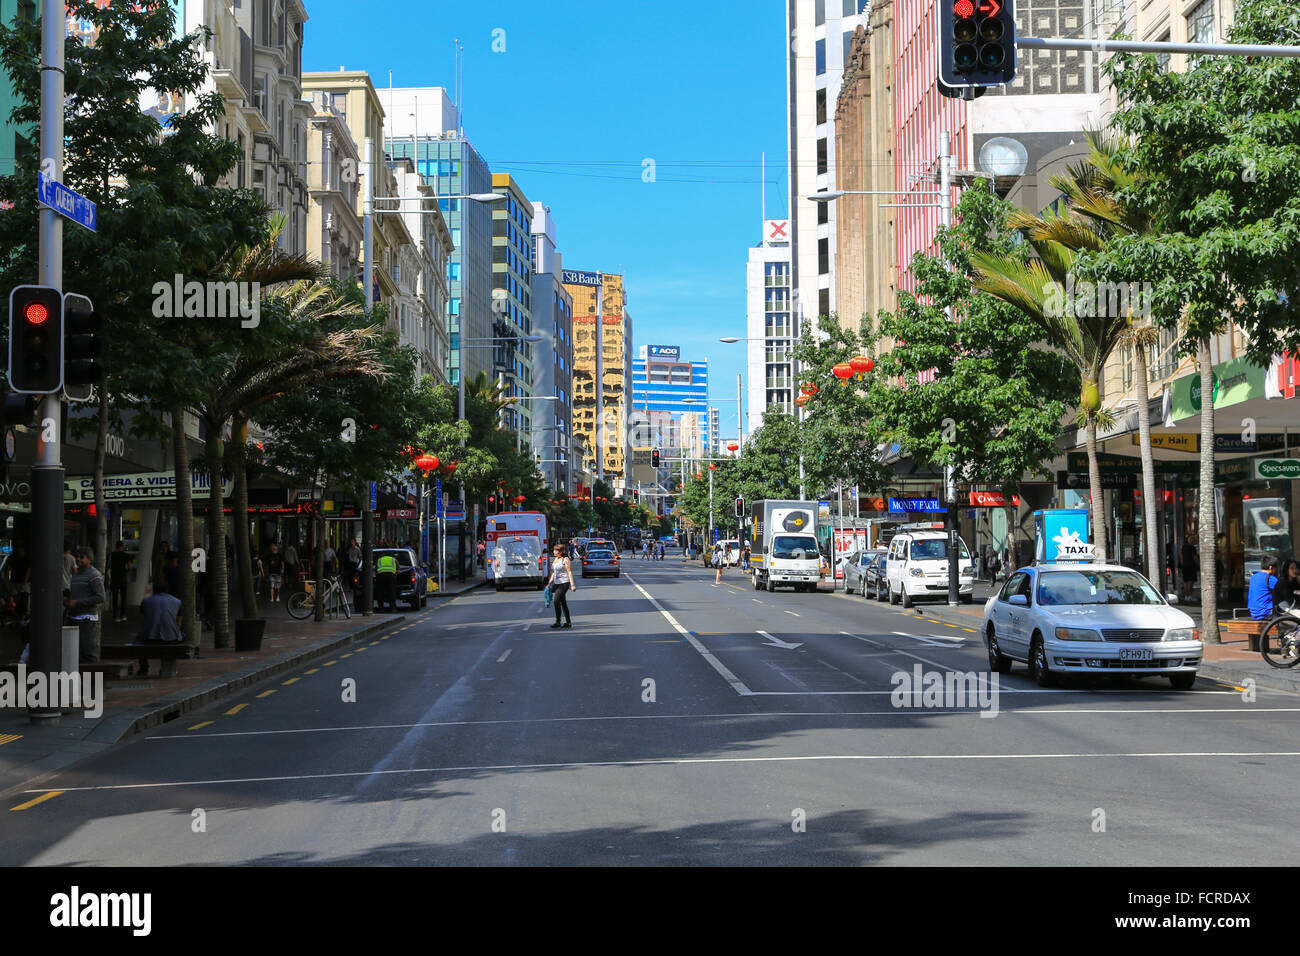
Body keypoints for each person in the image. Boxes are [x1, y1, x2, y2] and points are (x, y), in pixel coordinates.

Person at [135, 580, 182, 678]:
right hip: (170, 639)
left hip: (150, 639)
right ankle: (166, 668)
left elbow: (143, 620)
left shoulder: (146, 601)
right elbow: (179, 620)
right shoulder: (177, 601)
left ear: (154, 590)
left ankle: (144, 668)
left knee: (138, 641)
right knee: (178, 638)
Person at [65, 547, 105, 663]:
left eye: (81, 557)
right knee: (74, 651)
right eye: (77, 556)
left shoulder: (94, 575)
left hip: (86, 619)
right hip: (73, 617)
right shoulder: (76, 575)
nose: (78, 559)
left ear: (89, 559)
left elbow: (101, 597)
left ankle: (91, 678)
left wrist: (77, 602)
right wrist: (68, 599)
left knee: (87, 651)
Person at [547, 544, 575, 629]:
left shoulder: (565, 559)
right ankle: (568, 622)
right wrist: (549, 583)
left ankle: (558, 622)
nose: (554, 552)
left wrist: (572, 585)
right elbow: (553, 573)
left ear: (561, 552)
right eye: (554, 550)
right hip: (557, 583)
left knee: (556, 601)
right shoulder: (556, 559)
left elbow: (569, 572)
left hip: (564, 583)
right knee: (563, 603)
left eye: (556, 550)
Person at [1248, 555, 1281, 621]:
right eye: (1276, 568)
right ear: (1271, 567)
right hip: (1266, 613)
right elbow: (1282, 591)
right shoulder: (1271, 578)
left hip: (1254, 613)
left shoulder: (1253, 577)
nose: (1276, 570)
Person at [108, 541, 130, 623]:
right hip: (123, 578)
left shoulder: (112, 555)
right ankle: (123, 615)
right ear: (122, 546)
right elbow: (129, 566)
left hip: (114, 578)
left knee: (115, 597)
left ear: (116, 546)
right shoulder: (126, 555)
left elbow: (109, 566)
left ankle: (116, 616)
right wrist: (125, 571)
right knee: (124, 597)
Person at [9, 544, 30, 619]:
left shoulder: (25, 560)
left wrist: (24, 582)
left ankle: (21, 614)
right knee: (16, 598)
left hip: (21, 582)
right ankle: (17, 613)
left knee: (23, 598)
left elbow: (28, 570)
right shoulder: (13, 559)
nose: (19, 553)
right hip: (15, 581)